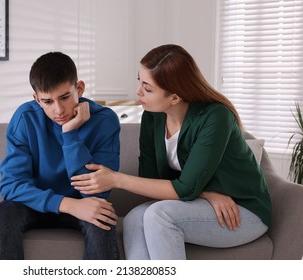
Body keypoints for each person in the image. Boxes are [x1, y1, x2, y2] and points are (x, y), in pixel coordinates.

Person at [71, 44, 272, 260]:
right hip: (201, 202)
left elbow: (184, 188)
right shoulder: (153, 115)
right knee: (133, 219)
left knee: (159, 216)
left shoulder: (216, 117)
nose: (138, 92)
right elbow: (152, 180)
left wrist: (115, 179)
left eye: (148, 88)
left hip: (242, 210)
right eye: (139, 81)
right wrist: (205, 193)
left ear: (175, 97)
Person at [0, 51, 120, 260]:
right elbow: (11, 185)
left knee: (102, 217)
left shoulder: (105, 121)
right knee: (5, 213)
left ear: (79, 88)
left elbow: (97, 193)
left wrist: (70, 134)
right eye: (47, 101)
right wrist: (68, 204)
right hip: (35, 205)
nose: (58, 110)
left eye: (65, 97)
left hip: (83, 203)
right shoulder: (25, 118)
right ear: (36, 99)